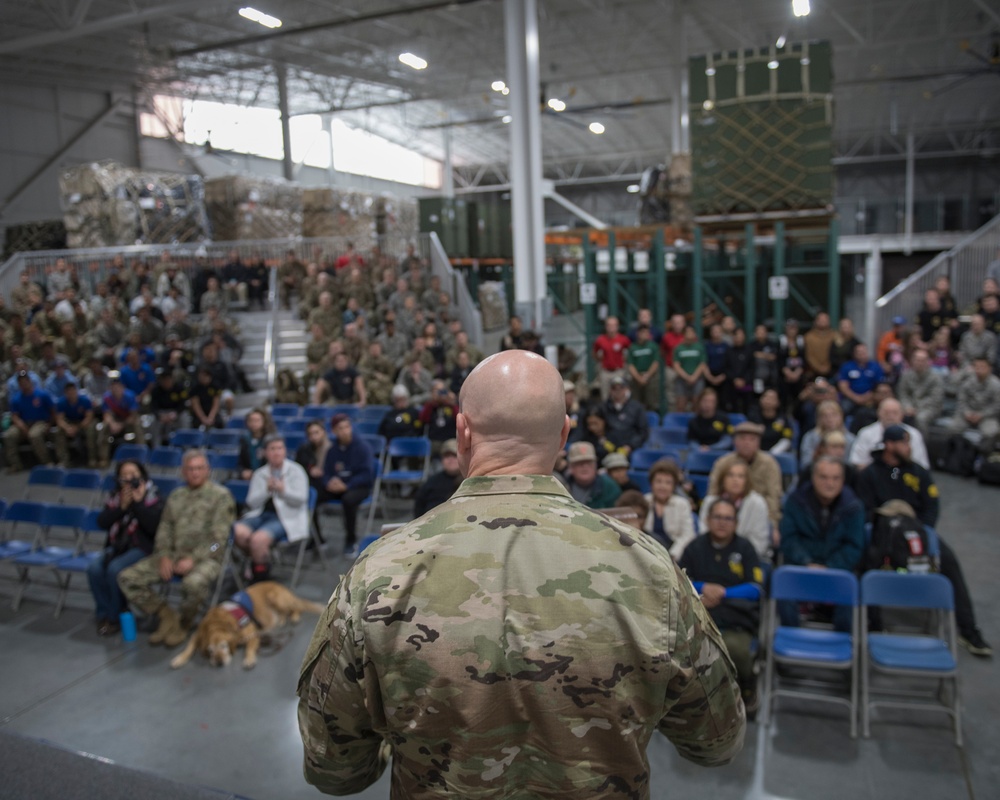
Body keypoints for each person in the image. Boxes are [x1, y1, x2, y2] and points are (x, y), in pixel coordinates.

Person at [297, 350, 744, 797]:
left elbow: (334, 769)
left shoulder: (378, 572)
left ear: (462, 432)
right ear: (564, 434)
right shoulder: (650, 570)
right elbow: (717, 741)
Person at [855, 426, 991, 657]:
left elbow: (931, 508)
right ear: (889, 444)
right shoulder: (870, 474)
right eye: (904, 443)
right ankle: (873, 623)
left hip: (916, 533)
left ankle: (968, 630)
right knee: (865, 559)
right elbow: (864, 509)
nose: (909, 448)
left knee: (948, 562)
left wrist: (921, 530)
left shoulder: (919, 473)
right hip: (882, 534)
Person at [117, 450, 236, 647]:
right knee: (127, 578)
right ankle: (166, 615)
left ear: (207, 471)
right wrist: (164, 556)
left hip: (206, 558)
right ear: (183, 472)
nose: (195, 473)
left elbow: (219, 541)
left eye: (199, 468)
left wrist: (194, 559)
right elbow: (164, 530)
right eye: (190, 469)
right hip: (172, 556)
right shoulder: (176, 496)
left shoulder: (221, 497)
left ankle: (184, 622)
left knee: (193, 584)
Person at [679, 497, 764, 715]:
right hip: (699, 616)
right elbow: (680, 580)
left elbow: (756, 588)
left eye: (728, 518)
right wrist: (704, 588)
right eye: (717, 517)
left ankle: (747, 688)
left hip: (735, 618)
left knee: (736, 650)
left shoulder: (746, 549)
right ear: (707, 519)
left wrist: (723, 593)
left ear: (736, 522)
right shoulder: (694, 547)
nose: (722, 522)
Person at [779, 457, 866, 631]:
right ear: (813, 478)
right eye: (824, 477)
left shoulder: (854, 508)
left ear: (843, 480)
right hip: (801, 568)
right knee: (783, 585)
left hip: (837, 571)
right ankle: (791, 636)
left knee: (849, 588)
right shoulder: (795, 502)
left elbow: (854, 546)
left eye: (836, 478)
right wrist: (806, 563)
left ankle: (842, 643)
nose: (830, 483)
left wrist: (830, 567)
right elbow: (788, 539)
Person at [89, 460, 164, 636]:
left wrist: (137, 504)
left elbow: (154, 527)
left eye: (133, 474)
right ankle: (103, 614)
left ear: (142, 475)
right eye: (125, 476)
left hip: (144, 547)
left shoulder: (154, 495)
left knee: (115, 570)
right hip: (119, 546)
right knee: (94, 569)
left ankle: (115, 617)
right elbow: (103, 522)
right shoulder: (116, 497)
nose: (129, 479)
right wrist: (121, 508)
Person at [233, 435, 310, 583]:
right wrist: (266, 491)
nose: (276, 452)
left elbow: (302, 499)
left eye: (279, 448)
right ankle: (259, 559)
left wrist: (283, 490)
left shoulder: (296, 471)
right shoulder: (260, 473)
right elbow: (251, 502)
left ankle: (260, 579)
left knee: (258, 540)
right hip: (260, 514)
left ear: (285, 451)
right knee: (237, 531)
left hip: (286, 516)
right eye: (272, 449)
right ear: (265, 452)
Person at [708, 422, 783, 524]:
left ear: (758, 443)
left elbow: (773, 497)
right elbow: (713, 491)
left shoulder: (769, 464)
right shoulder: (723, 463)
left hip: (760, 515)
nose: (747, 443)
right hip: (726, 514)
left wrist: (772, 522)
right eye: (742, 438)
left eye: (752, 439)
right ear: (735, 442)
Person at [322, 414, 374, 556]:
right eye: (340, 428)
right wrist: (328, 482)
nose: (344, 431)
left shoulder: (363, 448)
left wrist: (347, 485)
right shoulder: (332, 451)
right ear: (334, 431)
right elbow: (326, 473)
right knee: (315, 492)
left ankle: (351, 540)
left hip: (359, 487)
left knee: (348, 499)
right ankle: (317, 538)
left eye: (347, 427)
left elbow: (367, 475)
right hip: (337, 486)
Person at [699, 459, 772, 559]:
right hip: (711, 556)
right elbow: (703, 533)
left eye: (740, 476)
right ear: (722, 479)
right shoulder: (709, 501)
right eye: (730, 475)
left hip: (747, 558)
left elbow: (759, 542)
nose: (735, 480)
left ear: (747, 481)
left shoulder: (757, 503)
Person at [849, 398, 930, 470]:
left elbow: (922, 465)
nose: (890, 416)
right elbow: (858, 462)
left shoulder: (914, 434)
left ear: (902, 415)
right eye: (886, 412)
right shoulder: (865, 433)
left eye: (895, 413)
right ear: (878, 413)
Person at [642, 458, 696, 559]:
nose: (662, 486)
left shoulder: (682, 504)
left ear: (674, 486)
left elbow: (688, 535)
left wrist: (672, 555)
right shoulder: (644, 501)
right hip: (646, 554)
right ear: (651, 483)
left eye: (668, 483)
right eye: (658, 481)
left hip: (674, 555)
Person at [4, 370, 56, 472]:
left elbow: (53, 411)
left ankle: (46, 462)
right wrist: (22, 426)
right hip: (24, 423)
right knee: (8, 435)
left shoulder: (42, 394)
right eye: (21, 382)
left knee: (34, 435)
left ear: (29, 381)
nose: (23, 384)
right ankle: (15, 465)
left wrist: (49, 424)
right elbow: (15, 416)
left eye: (25, 381)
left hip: (40, 422)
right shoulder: (16, 399)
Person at [948, 355, 1000, 445]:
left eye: (982, 367)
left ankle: (983, 456)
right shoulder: (967, 382)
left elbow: (997, 405)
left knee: (992, 432)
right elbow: (962, 401)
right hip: (967, 414)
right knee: (952, 428)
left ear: (989, 368)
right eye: (977, 367)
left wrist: (981, 415)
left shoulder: (996, 384)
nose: (979, 369)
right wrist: (967, 412)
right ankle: (955, 453)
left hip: (987, 416)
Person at [896, 348, 944, 436]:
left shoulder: (935, 378)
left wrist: (916, 408)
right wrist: (908, 407)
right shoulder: (906, 375)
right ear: (912, 361)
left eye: (923, 360)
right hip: (909, 407)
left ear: (927, 362)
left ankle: (921, 445)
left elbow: (935, 398)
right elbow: (903, 394)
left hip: (929, 408)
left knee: (921, 419)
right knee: (895, 415)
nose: (920, 363)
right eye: (918, 360)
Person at [562, 440, 622, 508]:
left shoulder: (610, 487)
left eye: (589, 462)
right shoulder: (561, 486)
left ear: (596, 465)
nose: (585, 467)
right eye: (579, 463)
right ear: (571, 467)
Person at [412, 438, 463, 516]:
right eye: (446, 456)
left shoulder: (468, 481)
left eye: (454, 455)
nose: (450, 459)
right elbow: (419, 506)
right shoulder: (432, 482)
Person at [53, 379, 97, 467]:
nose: (71, 393)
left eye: (73, 390)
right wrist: (67, 428)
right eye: (68, 391)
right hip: (70, 423)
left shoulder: (85, 400)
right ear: (65, 393)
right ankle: (64, 460)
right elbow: (59, 419)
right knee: (58, 432)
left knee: (91, 431)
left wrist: (78, 427)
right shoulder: (61, 403)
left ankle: (92, 458)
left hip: (83, 422)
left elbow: (89, 417)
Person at [800, 400, 856, 467]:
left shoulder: (850, 439)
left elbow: (852, 464)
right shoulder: (810, 437)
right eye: (825, 416)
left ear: (841, 416)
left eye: (834, 415)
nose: (830, 419)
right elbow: (806, 463)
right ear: (819, 419)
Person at [602, 375, 649, 454]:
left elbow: (643, 432)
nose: (617, 391)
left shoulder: (637, 408)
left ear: (627, 389)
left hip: (630, 449)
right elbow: (598, 428)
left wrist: (631, 446)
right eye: (614, 388)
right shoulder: (604, 407)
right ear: (610, 390)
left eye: (621, 388)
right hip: (607, 449)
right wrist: (603, 441)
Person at [837, 342, 885, 414]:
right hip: (850, 398)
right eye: (859, 352)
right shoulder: (847, 366)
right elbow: (843, 386)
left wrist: (868, 396)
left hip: (871, 398)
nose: (862, 354)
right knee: (843, 408)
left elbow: (879, 385)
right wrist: (856, 398)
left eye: (864, 352)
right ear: (854, 354)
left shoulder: (875, 366)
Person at [592, 315, 631, 399]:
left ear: (617, 326)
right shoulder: (601, 339)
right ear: (606, 326)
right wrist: (599, 359)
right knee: (605, 395)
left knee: (619, 394)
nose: (611, 328)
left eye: (613, 325)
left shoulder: (623, 339)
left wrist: (625, 360)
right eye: (609, 325)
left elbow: (630, 351)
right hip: (605, 371)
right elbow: (594, 352)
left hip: (618, 371)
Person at [626, 324, 661, 411]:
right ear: (638, 333)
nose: (644, 334)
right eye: (642, 332)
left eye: (646, 332)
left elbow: (655, 363)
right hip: (637, 378)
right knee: (636, 401)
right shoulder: (633, 347)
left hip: (650, 377)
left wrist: (647, 376)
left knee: (651, 402)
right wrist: (638, 378)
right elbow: (630, 365)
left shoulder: (653, 346)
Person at [672, 325, 707, 411]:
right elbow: (676, 365)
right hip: (682, 379)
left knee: (697, 402)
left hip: (697, 379)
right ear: (683, 334)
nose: (690, 334)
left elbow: (702, 364)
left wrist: (694, 377)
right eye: (687, 332)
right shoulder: (678, 348)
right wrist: (687, 377)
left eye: (692, 332)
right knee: (680, 404)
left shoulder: (700, 347)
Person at [749, 387, 794, 454]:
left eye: (772, 398)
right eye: (765, 397)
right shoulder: (753, 415)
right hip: (756, 451)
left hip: (776, 452)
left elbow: (787, 438)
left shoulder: (782, 419)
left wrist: (774, 452)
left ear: (778, 402)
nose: (768, 400)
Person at [238, 407, 276, 481]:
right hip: (249, 476)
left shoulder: (271, 440)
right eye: (251, 420)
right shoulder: (245, 440)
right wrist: (243, 472)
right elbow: (240, 462)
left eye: (257, 420)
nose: (253, 423)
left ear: (264, 421)